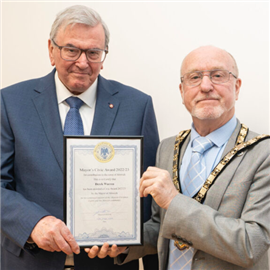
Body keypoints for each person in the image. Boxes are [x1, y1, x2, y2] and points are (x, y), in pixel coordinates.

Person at [0, 5, 159, 270]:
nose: (83, 62)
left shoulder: (137, 106)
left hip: (108, 264)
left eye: (93, 52)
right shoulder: (10, 102)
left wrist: (129, 242)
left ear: (103, 56)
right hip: (30, 261)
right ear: (51, 50)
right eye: (71, 50)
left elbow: (150, 199)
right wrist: (33, 223)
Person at [90, 45, 270, 269]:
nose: (205, 86)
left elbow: (253, 244)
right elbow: (161, 225)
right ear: (182, 91)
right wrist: (125, 241)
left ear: (237, 86)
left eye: (218, 75)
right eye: (194, 77)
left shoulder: (263, 153)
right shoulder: (167, 148)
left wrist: (174, 201)